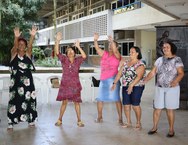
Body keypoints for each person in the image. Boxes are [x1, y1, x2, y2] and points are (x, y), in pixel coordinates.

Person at [144, 41, 184, 137]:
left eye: (167, 47)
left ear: (172, 48)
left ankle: (171, 130)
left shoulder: (177, 59)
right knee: (157, 108)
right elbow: (153, 72)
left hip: (172, 89)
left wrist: (175, 81)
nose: (165, 48)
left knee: (170, 109)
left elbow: (181, 73)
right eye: (164, 47)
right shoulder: (159, 60)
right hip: (159, 87)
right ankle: (154, 127)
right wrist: (145, 79)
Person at [7, 26, 38, 131]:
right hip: (15, 84)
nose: (21, 45)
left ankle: (31, 120)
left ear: (25, 46)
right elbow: (14, 47)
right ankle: (11, 122)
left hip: (28, 84)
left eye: (23, 44)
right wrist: (16, 37)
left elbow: (30, 47)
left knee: (29, 101)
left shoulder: (28, 54)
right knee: (14, 101)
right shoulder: (13, 54)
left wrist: (32, 36)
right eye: (19, 44)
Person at [54, 32, 86, 127]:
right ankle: (59, 119)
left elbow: (84, 56)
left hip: (75, 86)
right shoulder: (64, 60)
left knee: (77, 103)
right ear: (66, 54)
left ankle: (79, 120)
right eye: (68, 51)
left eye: (72, 51)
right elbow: (57, 52)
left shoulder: (78, 60)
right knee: (64, 102)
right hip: (65, 85)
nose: (70, 52)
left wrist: (78, 46)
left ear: (75, 53)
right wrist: (57, 41)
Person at [111, 46, 146, 130]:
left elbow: (139, 77)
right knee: (126, 105)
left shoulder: (140, 64)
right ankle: (128, 122)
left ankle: (138, 122)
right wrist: (114, 83)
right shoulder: (126, 63)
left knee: (135, 105)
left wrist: (131, 86)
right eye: (130, 52)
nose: (130, 53)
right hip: (125, 85)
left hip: (137, 86)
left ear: (137, 53)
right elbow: (119, 74)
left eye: (132, 52)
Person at [93, 33, 123, 125]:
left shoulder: (118, 55)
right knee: (100, 99)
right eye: (109, 45)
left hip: (113, 80)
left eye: (112, 45)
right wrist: (95, 40)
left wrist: (111, 41)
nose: (110, 46)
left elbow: (114, 50)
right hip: (103, 80)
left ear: (116, 48)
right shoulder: (104, 54)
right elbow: (97, 49)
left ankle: (120, 118)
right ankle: (99, 116)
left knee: (117, 99)